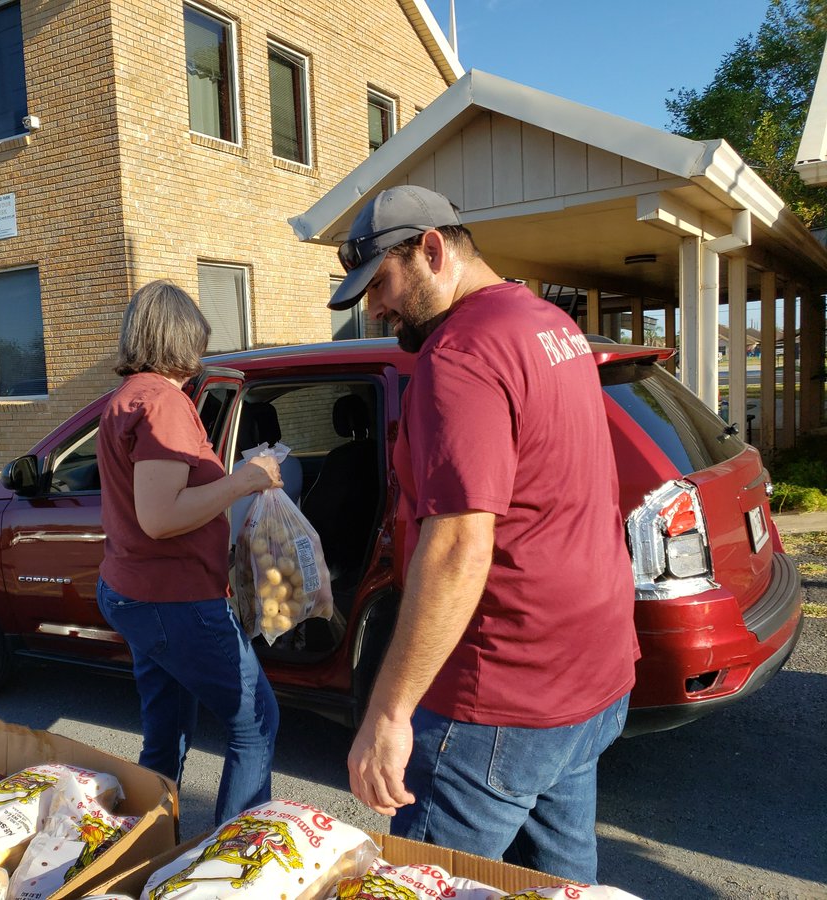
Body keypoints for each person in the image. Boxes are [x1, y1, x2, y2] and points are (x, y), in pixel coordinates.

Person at [330, 186, 637, 884]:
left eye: (380, 283)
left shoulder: (458, 355)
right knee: (555, 887)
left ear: (432, 249)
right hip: (590, 676)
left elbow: (459, 546)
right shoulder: (549, 324)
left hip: (497, 698)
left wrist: (388, 713)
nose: (375, 309)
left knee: (420, 887)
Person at [96, 279, 283, 825]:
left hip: (135, 592)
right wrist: (245, 479)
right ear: (180, 337)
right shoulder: (165, 403)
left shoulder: (126, 399)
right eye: (198, 339)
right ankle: (229, 868)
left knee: (164, 738)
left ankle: (146, 852)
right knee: (257, 722)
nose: (202, 353)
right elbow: (160, 517)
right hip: (174, 600)